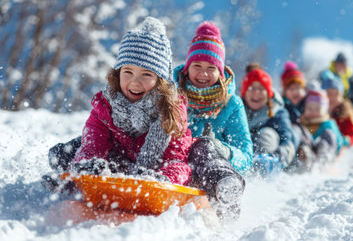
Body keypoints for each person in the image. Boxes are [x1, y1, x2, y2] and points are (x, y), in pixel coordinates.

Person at [44, 17, 192, 189]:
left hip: (151, 172)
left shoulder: (172, 113)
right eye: (128, 71)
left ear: (161, 81)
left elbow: (177, 161)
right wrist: (88, 166)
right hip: (117, 165)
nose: (135, 82)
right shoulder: (105, 107)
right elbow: (93, 145)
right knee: (64, 153)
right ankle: (76, 177)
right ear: (118, 73)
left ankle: (75, 178)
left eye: (146, 74)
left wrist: (163, 180)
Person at [173, 21, 252, 219]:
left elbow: (246, 156)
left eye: (211, 67)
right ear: (186, 68)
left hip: (210, 173)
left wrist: (224, 150)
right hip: (174, 165)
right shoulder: (170, 97)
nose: (203, 73)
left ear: (220, 72)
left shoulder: (232, 105)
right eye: (197, 65)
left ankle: (225, 191)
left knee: (205, 146)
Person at [241, 67, 295, 176]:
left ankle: (263, 169)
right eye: (251, 88)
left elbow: (286, 136)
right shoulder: (238, 110)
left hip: (272, 155)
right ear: (244, 93)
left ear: (268, 93)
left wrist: (282, 152)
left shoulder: (276, 111)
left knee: (266, 133)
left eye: (261, 89)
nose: (256, 92)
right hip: (244, 156)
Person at [296, 90, 349, 171]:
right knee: (303, 138)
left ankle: (323, 160)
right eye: (310, 109)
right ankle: (306, 158)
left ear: (324, 110)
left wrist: (342, 144)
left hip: (327, 151)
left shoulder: (328, 123)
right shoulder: (302, 123)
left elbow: (337, 139)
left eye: (317, 109)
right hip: (311, 150)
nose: (313, 112)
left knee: (327, 136)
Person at [322, 77, 353, 146]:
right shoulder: (318, 110)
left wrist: (347, 140)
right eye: (328, 94)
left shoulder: (345, 113)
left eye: (336, 95)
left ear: (341, 97)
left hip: (338, 144)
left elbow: (352, 134)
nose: (332, 97)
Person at [280, 61, 307, 149]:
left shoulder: (308, 104)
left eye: (298, 88)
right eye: (291, 89)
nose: (296, 92)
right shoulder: (282, 106)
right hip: (290, 137)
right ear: (285, 92)